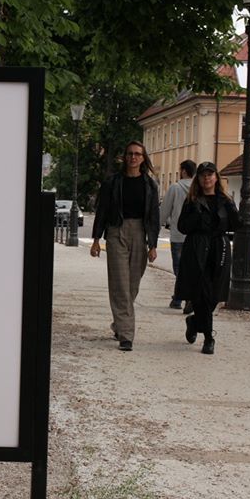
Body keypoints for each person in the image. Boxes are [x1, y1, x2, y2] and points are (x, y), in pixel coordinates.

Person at [90, 141, 160, 352]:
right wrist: (96, 239)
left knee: (132, 285)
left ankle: (119, 324)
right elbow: (102, 210)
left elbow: (154, 216)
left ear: (143, 158)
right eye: (130, 153)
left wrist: (153, 244)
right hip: (116, 232)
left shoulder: (150, 185)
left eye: (137, 154)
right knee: (120, 284)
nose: (133, 157)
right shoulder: (112, 182)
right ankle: (127, 335)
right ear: (124, 157)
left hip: (140, 233)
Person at [175, 162, 242, 355]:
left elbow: (236, 225)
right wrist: (196, 218)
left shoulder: (225, 200)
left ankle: (194, 322)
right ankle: (209, 338)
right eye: (203, 175)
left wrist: (233, 209)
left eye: (210, 174)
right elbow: (182, 226)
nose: (207, 178)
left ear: (216, 177)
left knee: (214, 295)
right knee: (201, 293)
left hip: (219, 248)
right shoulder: (192, 200)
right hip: (197, 248)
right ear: (198, 178)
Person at [161, 159, 196, 310]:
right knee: (192, 268)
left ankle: (184, 298)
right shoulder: (198, 188)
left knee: (179, 269)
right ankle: (179, 298)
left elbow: (165, 210)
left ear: (183, 171)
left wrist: (156, 226)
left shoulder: (175, 187)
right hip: (195, 236)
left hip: (178, 234)